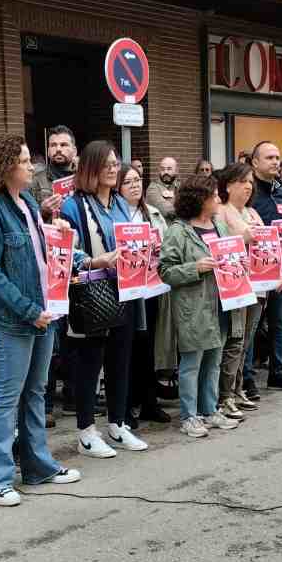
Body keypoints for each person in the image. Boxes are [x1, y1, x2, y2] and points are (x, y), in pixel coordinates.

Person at [0, 134, 83, 506]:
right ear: (5, 167)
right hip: (15, 319)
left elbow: (38, 254)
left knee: (36, 392)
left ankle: (38, 465)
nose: (29, 166)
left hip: (43, 312)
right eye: (22, 161)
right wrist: (27, 310)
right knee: (7, 395)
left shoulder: (28, 202)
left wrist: (58, 231)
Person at [60, 140, 149, 457]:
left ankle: (117, 424)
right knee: (89, 362)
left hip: (124, 290)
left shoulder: (122, 204)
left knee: (120, 361)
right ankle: (86, 432)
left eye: (116, 163)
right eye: (107, 164)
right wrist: (95, 261)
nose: (114, 168)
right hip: (91, 293)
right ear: (90, 168)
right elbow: (68, 250)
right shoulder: (73, 206)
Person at [160, 174, 239, 438]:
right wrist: (195, 268)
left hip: (221, 302)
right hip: (192, 306)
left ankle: (209, 409)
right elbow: (166, 271)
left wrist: (241, 265)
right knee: (192, 362)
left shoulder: (219, 225)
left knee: (214, 360)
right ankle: (189, 416)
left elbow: (231, 257)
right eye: (214, 195)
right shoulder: (178, 231)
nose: (218, 199)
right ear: (200, 199)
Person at [213, 161, 270, 417]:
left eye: (250, 182)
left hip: (258, 284)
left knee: (245, 342)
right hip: (235, 285)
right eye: (242, 181)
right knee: (233, 342)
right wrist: (243, 239)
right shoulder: (222, 212)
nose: (247, 186)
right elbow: (221, 247)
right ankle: (224, 395)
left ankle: (237, 389)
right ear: (228, 185)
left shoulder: (252, 212)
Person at [246, 141, 282, 392]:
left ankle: (276, 372)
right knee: (252, 324)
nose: (275, 161)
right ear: (255, 162)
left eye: (277, 157)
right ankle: (245, 377)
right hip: (255, 267)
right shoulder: (248, 191)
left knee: (280, 321)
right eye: (269, 157)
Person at [118, 161, 171, 426]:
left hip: (151, 289)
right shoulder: (114, 214)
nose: (135, 185)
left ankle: (150, 402)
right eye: (127, 182)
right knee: (128, 348)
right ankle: (127, 406)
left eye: (137, 180)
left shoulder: (152, 213)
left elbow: (166, 243)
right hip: (126, 290)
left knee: (149, 346)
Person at [32, 126, 77, 203]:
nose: (58, 149)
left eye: (63, 145)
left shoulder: (84, 179)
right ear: (48, 151)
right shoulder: (35, 179)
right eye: (53, 145)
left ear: (74, 151)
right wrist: (43, 212)